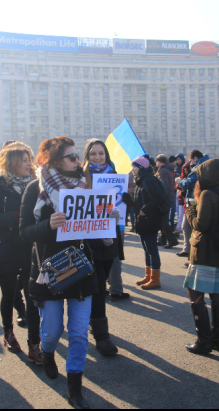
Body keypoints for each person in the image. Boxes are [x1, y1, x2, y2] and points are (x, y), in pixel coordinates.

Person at [19, 136, 98, 409]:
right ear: (54, 160)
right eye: (72, 157)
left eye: (78, 156)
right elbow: (24, 232)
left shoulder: (86, 186)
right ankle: (48, 353)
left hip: (80, 269)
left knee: (78, 332)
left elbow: (94, 230)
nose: (78, 162)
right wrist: (48, 225)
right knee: (52, 331)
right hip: (50, 270)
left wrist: (107, 221)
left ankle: (74, 387)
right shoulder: (35, 189)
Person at [0, 142, 42, 364]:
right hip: (4, 248)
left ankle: (34, 345)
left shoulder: (37, 185)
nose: (29, 163)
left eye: (30, 159)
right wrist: (16, 217)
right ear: (13, 162)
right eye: (24, 160)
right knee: (9, 295)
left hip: (29, 247)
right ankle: (8, 332)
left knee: (33, 296)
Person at [82, 138, 125, 355]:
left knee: (103, 281)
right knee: (98, 286)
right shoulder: (81, 178)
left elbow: (124, 202)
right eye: (93, 154)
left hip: (110, 236)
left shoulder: (114, 175)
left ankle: (92, 319)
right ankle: (102, 336)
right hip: (89, 238)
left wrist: (126, 200)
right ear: (86, 156)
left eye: (101, 153)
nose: (97, 157)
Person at [183, 159, 219, 355]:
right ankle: (217, 340)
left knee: (195, 294)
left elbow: (201, 225)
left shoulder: (208, 194)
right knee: (218, 296)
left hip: (204, 253)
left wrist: (190, 209)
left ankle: (204, 341)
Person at [122, 156, 166, 290]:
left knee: (152, 250)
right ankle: (148, 275)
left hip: (150, 220)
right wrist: (128, 200)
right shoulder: (141, 181)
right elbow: (139, 201)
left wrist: (144, 210)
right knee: (147, 250)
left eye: (134, 167)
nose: (132, 169)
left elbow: (159, 197)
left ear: (140, 168)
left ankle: (155, 279)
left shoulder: (148, 180)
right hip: (143, 221)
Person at [176, 150, 208, 258]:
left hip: (193, 200)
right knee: (189, 226)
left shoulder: (197, 167)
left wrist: (179, 181)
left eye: (190, 160)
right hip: (198, 199)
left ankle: (192, 254)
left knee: (189, 226)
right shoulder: (206, 165)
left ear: (195, 158)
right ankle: (188, 250)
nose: (189, 163)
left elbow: (189, 183)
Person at [155, 154, 180, 249]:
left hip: (164, 198)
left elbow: (163, 185)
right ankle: (162, 240)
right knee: (163, 220)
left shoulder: (162, 170)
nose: (156, 163)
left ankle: (172, 240)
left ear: (160, 161)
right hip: (169, 197)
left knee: (163, 221)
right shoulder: (168, 169)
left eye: (157, 161)